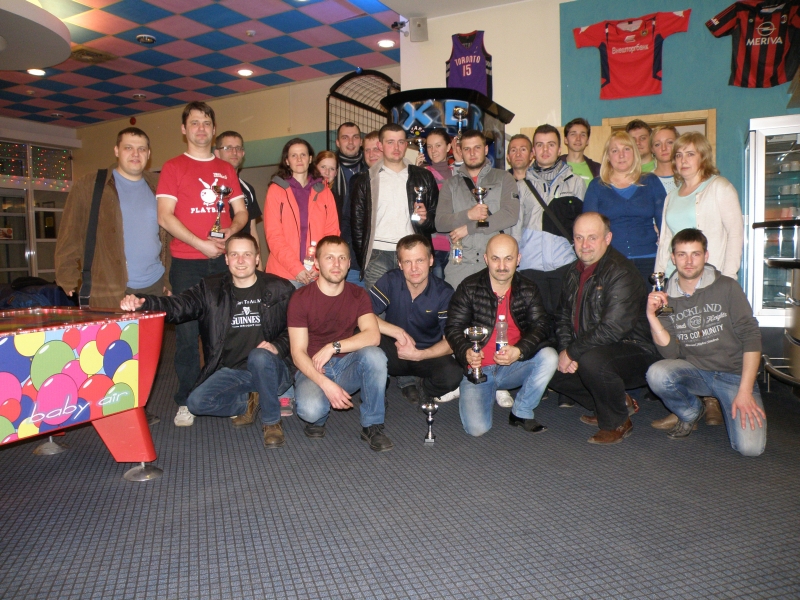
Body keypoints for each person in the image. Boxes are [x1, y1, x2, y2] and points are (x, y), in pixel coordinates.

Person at [120, 232, 295, 448]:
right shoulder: (210, 288)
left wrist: (277, 346)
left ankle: (271, 421)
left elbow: (297, 330)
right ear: (226, 259)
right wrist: (144, 303)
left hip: (272, 368)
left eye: (247, 254)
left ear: (257, 258)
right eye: (234, 255)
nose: (241, 260)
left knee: (259, 356)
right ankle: (251, 400)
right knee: (197, 403)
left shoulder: (280, 288)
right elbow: (179, 305)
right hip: (233, 371)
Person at [156, 101, 247, 427]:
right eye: (194, 123)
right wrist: (201, 244)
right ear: (184, 129)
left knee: (223, 333)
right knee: (186, 335)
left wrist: (229, 235)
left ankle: (222, 394)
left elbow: (241, 213)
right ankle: (186, 399)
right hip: (187, 263)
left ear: (213, 128)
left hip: (221, 263)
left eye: (206, 123)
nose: (201, 128)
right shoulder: (173, 167)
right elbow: (164, 216)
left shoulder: (226, 169)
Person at [645, 229, 766, 456]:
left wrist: (745, 390)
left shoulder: (727, 287)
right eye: (682, 254)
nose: (689, 261)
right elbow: (670, 353)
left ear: (706, 256)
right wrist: (652, 317)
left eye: (695, 254)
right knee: (657, 373)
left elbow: (751, 337)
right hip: (696, 371)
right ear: (673, 258)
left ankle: (730, 398)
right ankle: (691, 412)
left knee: (750, 448)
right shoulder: (666, 297)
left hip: (734, 375)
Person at [547, 213, 659, 445]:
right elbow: (563, 316)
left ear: (607, 238)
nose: (584, 245)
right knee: (544, 359)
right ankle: (615, 401)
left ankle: (617, 421)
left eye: (592, 237)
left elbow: (613, 329)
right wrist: (566, 349)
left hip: (634, 350)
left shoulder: (621, 272)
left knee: (592, 360)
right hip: (591, 347)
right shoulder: (572, 271)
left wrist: (572, 352)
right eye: (579, 238)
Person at [444, 234, 558, 436]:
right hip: (478, 369)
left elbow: (541, 326)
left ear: (518, 259)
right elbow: (453, 327)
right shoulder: (468, 287)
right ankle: (476, 389)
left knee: (549, 356)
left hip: (514, 365)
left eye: (508, 258)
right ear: (486, 259)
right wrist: (466, 351)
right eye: (495, 258)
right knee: (477, 429)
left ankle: (522, 412)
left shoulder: (529, 288)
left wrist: (519, 351)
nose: (502, 266)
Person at [287, 235, 393, 452]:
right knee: (311, 411)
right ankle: (318, 416)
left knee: (375, 356)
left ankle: (372, 425)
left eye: (342, 258)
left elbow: (373, 335)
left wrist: (332, 347)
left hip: (347, 365)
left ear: (348, 263)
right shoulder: (300, 298)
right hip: (313, 369)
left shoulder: (358, 294)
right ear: (317, 263)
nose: (336, 264)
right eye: (329, 258)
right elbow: (297, 353)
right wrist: (326, 384)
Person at [56, 127, 170, 309]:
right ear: (116, 151)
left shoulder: (160, 186)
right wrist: (67, 275)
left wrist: (168, 280)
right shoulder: (90, 185)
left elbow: (170, 236)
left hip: (154, 287)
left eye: (141, 149)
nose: (135, 154)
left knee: (151, 330)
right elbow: (70, 232)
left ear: (148, 154)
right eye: (128, 148)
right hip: (108, 289)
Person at [370, 234, 462, 404]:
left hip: (426, 354)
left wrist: (420, 355)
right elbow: (362, 314)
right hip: (394, 350)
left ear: (431, 260)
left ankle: (424, 387)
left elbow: (451, 342)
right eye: (407, 262)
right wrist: (397, 332)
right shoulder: (391, 280)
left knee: (453, 374)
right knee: (359, 334)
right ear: (400, 264)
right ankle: (375, 391)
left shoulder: (444, 292)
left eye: (420, 260)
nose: (414, 268)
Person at [350, 123, 438, 290]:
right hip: (377, 254)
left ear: (406, 144)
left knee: (414, 304)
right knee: (377, 305)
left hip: (413, 254)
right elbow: (357, 225)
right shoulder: (365, 180)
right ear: (380, 145)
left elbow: (435, 219)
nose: (396, 147)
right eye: (390, 142)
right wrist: (365, 259)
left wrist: (425, 220)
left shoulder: (424, 177)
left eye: (401, 142)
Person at [512, 125, 584, 316]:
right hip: (530, 266)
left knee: (566, 320)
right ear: (533, 151)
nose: (545, 150)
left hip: (565, 264)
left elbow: (583, 226)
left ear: (559, 149)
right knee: (537, 323)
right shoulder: (521, 186)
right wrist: (515, 263)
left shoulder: (576, 182)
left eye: (551, 144)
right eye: (540, 145)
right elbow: (516, 228)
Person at [436, 129, 520, 288]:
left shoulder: (504, 178)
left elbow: (510, 215)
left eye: (477, 147)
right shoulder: (451, 184)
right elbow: (440, 222)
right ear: (460, 151)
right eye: (467, 149)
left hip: (494, 266)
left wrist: (471, 227)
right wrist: (468, 214)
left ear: (486, 149)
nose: (472, 153)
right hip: (460, 267)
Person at [654, 132, 743, 279]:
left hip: (708, 277)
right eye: (678, 155)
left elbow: (735, 234)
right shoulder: (671, 196)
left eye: (690, 154)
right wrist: (658, 280)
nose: (683, 160)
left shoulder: (720, 187)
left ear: (703, 157)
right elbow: (665, 241)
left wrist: (729, 277)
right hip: (673, 277)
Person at [583, 130, 666, 285]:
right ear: (608, 156)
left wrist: (668, 258)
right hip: (611, 263)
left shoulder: (651, 182)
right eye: (615, 151)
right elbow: (588, 229)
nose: (621, 155)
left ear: (634, 153)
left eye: (626, 149)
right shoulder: (596, 186)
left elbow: (665, 224)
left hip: (650, 261)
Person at [264, 138, 339, 287]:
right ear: (287, 161)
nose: (299, 159)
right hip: (283, 274)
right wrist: (296, 268)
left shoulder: (324, 192)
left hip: (316, 274)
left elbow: (332, 233)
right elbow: (274, 236)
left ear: (310, 159)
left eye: (303, 155)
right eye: (294, 155)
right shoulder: (276, 191)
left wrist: (319, 267)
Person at [332, 122, 369, 284]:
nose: (351, 142)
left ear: (361, 141)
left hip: (363, 248)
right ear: (337, 142)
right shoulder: (327, 169)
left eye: (355, 137)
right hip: (335, 241)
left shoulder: (370, 169)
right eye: (345, 138)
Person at [420, 128, 456, 280]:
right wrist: (416, 173)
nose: (433, 150)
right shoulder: (423, 173)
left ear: (448, 147)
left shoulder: (457, 173)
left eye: (438, 145)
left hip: (457, 244)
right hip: (432, 244)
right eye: (429, 146)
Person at [214, 131, 262, 239]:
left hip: (241, 249)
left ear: (243, 153)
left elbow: (252, 229)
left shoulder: (248, 189)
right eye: (228, 148)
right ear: (217, 153)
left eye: (238, 148)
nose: (234, 152)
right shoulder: (209, 186)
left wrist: (256, 250)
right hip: (214, 246)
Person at [559, 118, 601, 185]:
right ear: (566, 140)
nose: (578, 138)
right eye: (573, 134)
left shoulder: (598, 170)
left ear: (587, 141)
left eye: (583, 135)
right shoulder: (555, 166)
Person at [650, 125, 679, 195]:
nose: (664, 148)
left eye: (669, 142)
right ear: (652, 149)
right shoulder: (645, 181)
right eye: (657, 144)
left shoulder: (687, 177)